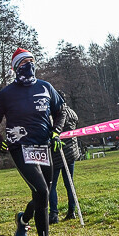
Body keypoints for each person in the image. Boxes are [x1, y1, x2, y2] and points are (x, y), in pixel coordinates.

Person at [0, 48, 66, 236]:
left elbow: (61, 111)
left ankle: (23, 219)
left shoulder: (45, 87)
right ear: (15, 68)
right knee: (41, 190)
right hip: (20, 147)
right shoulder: (6, 93)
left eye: (31, 61)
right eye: (23, 62)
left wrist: (56, 132)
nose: (28, 64)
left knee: (43, 194)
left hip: (44, 147)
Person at [49, 93, 81, 223]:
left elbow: (56, 130)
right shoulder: (73, 113)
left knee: (52, 185)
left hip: (58, 153)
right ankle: (71, 210)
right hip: (72, 152)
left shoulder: (57, 115)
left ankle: (54, 214)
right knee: (69, 183)